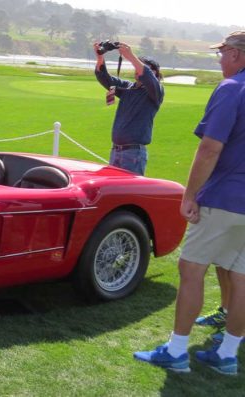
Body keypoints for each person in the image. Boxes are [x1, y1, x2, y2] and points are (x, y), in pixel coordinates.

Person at [133, 31, 245, 376]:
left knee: (192, 270)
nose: (220, 58)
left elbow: (210, 148)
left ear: (237, 55)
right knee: (241, 277)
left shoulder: (231, 89)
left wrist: (189, 194)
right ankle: (228, 354)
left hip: (225, 196)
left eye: (223, 52)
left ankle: (177, 350)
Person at [94, 42, 164, 175]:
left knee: (129, 194)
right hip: (116, 151)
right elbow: (105, 78)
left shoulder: (155, 91)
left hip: (133, 154)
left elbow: (147, 76)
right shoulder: (129, 87)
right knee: (114, 192)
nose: (137, 70)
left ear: (155, 72)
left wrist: (131, 56)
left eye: (140, 66)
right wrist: (100, 57)